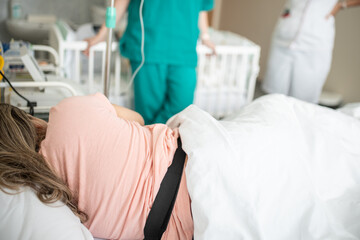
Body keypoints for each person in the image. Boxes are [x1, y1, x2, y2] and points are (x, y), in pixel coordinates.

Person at [1, 93, 360, 239]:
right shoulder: (69, 113)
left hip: (199, 217)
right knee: (328, 146)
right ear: (22, 119)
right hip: (214, 155)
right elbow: (138, 117)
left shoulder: (49, 201)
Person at [84, 0, 216, 125]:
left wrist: (205, 36)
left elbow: (201, 7)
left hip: (184, 50)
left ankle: (150, 137)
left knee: (183, 107)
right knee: (149, 112)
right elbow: (121, 2)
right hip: (147, 49)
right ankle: (151, 142)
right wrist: (102, 34)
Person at [261, 0, 360, 104]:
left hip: (315, 40)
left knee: (302, 100)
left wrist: (341, 5)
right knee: (273, 96)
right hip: (286, 32)